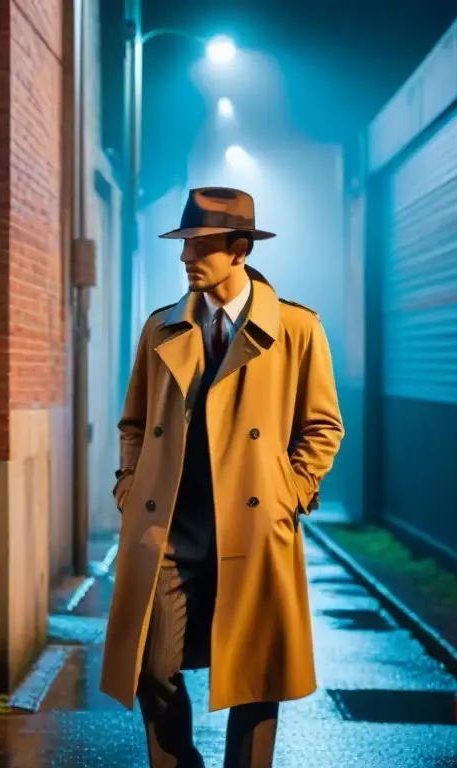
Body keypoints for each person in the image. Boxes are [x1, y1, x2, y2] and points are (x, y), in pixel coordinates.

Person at [100, 186, 344, 767]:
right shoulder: (161, 327)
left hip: (255, 527)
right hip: (170, 530)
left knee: (257, 678)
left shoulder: (296, 328)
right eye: (183, 245)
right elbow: (133, 422)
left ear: (239, 251)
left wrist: (292, 493)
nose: (186, 258)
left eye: (200, 246)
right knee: (152, 666)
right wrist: (129, 487)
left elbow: (323, 426)